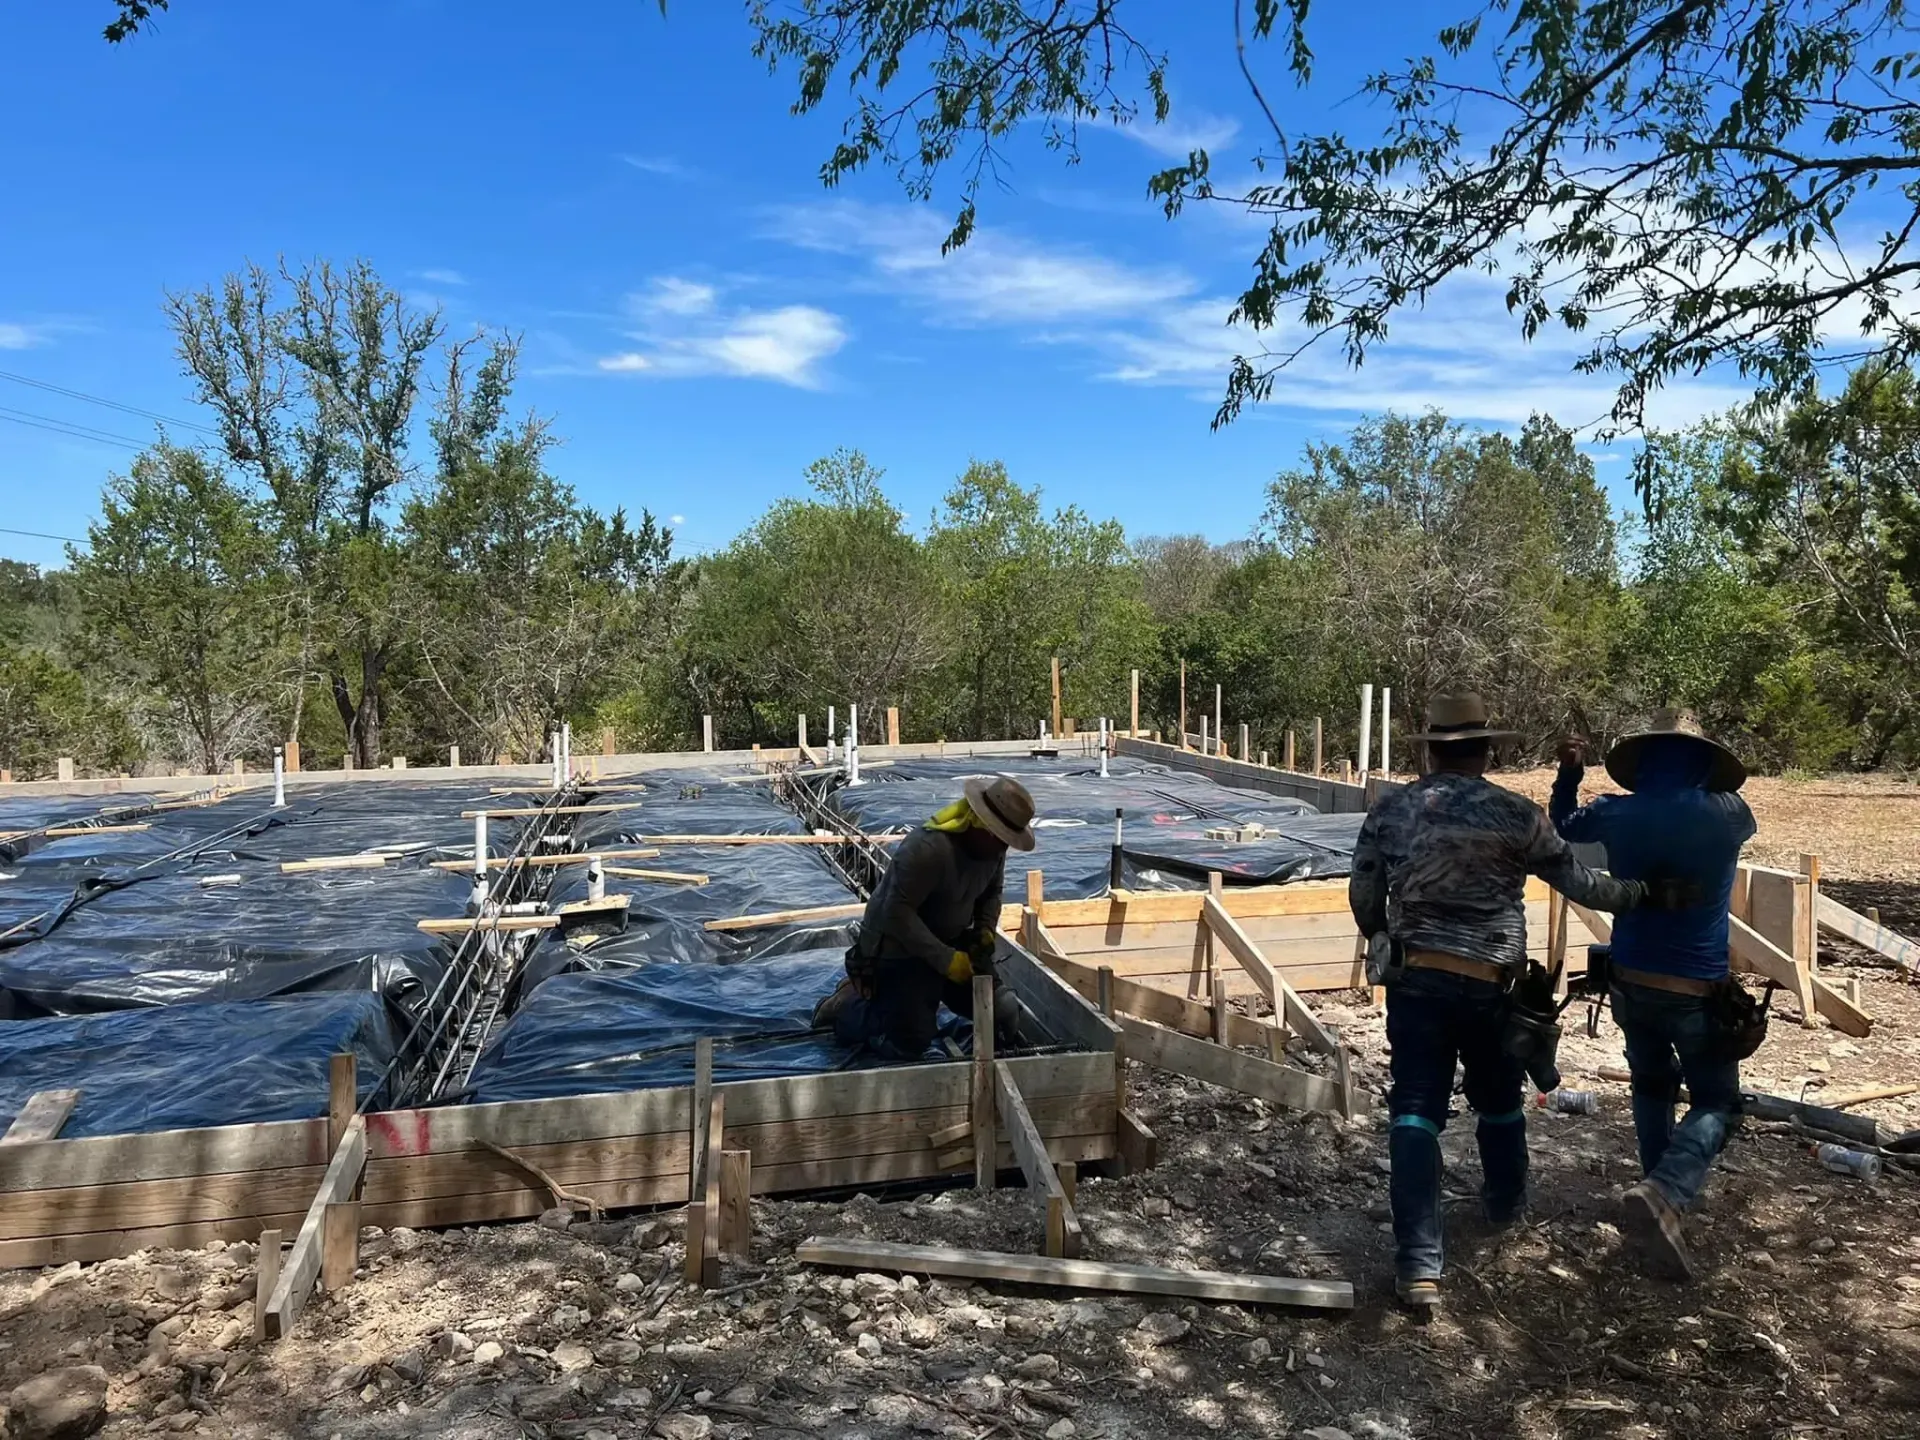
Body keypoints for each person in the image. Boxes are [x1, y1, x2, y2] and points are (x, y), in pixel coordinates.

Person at [1351, 693, 1647, 1311]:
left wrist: (1382, 932)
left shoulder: (1393, 809)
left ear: (1431, 749)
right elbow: (1583, 883)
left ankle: (1418, 1263)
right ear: (1486, 752)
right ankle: (1504, 1202)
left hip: (1417, 980)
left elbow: (1365, 891)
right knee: (1498, 1099)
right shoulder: (1518, 815)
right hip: (1494, 984)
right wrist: (1644, 893)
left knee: (1414, 1109)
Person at [1551, 710, 1756, 1280]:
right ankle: (1666, 1188)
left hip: (1631, 979)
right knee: (1718, 1102)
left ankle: (1654, 1192)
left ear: (1643, 765)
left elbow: (1564, 823)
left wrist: (1570, 772)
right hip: (1696, 988)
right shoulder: (1728, 815)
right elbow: (1735, 813)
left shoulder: (1616, 813)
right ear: (1702, 764)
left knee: (1651, 1083)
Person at [812, 775, 1038, 1058]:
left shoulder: (993, 850)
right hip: (897, 946)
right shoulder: (928, 849)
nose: (1005, 848)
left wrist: (984, 931)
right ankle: (845, 1007)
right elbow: (895, 913)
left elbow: (992, 893)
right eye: (1001, 838)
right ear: (982, 827)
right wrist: (946, 961)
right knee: (909, 1042)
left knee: (1001, 1007)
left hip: (949, 937)